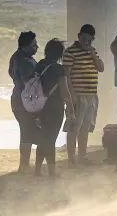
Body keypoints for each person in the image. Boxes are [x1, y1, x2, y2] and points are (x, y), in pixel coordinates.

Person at [34, 39, 76, 177]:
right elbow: (65, 92)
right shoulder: (59, 69)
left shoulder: (39, 65)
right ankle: (52, 171)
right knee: (50, 140)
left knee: (43, 138)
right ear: (60, 54)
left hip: (39, 107)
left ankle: (38, 169)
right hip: (54, 108)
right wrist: (71, 110)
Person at [63, 24, 104, 166]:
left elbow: (101, 68)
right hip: (78, 96)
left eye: (90, 40)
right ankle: (71, 159)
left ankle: (82, 156)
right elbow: (66, 76)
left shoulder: (92, 51)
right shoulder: (70, 52)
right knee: (74, 127)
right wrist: (71, 95)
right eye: (85, 39)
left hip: (91, 95)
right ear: (79, 36)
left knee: (85, 128)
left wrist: (92, 53)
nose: (87, 42)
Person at [8, 31, 39, 173]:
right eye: (34, 45)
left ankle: (24, 164)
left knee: (26, 130)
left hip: (17, 99)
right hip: (25, 101)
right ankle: (24, 165)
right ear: (25, 47)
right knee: (27, 131)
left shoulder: (15, 57)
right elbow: (30, 83)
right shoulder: (25, 61)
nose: (37, 47)